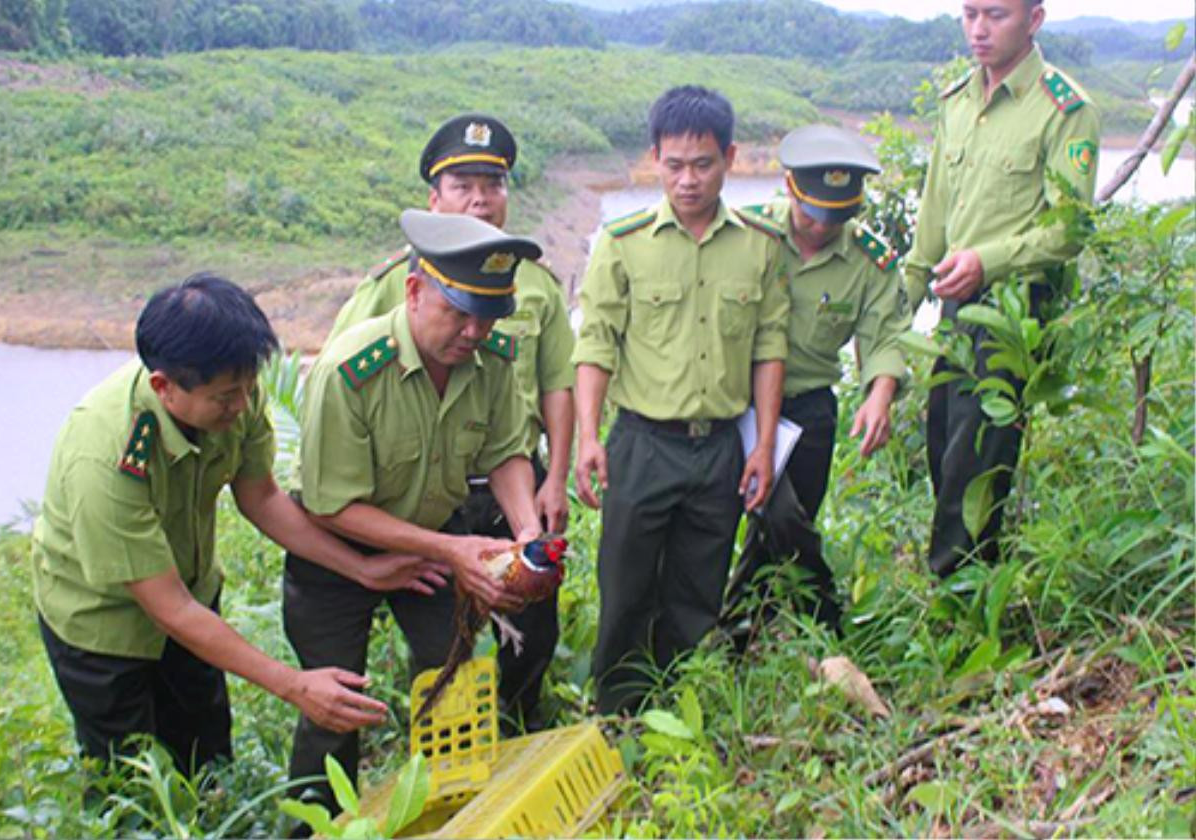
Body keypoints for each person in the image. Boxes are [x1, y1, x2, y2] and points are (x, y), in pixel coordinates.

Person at [31, 273, 438, 777]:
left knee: (207, 762)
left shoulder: (233, 396)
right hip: (102, 629)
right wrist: (295, 685)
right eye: (226, 396)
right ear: (164, 387)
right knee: (133, 785)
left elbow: (262, 498)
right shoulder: (106, 454)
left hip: (193, 603)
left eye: (248, 388)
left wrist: (362, 569)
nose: (242, 405)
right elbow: (167, 606)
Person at [286, 209, 543, 810]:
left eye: (487, 316)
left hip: (433, 530)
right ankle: (314, 823)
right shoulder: (350, 371)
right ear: (413, 290)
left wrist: (526, 529)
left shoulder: (494, 358)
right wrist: (453, 552)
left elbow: (507, 450)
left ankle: (449, 803)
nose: (474, 332)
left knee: (454, 669)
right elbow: (330, 505)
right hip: (337, 549)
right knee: (335, 699)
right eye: (458, 312)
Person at [326, 114, 575, 729]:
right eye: (463, 184)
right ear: (434, 199)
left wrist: (543, 499)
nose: (480, 199)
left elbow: (546, 396)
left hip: (484, 486)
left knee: (499, 635)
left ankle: (508, 730)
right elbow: (340, 416)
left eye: (492, 184)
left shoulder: (529, 289)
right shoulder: (386, 297)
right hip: (398, 497)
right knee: (397, 660)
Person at [572, 85, 789, 714]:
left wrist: (764, 447)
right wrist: (590, 437)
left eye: (702, 164)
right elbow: (596, 346)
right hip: (642, 445)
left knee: (696, 589)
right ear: (654, 159)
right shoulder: (624, 242)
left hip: (719, 448)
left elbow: (768, 348)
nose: (687, 181)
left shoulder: (758, 245)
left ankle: (673, 707)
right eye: (673, 165)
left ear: (730, 158)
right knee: (625, 587)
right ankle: (617, 713)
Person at [904, 0, 1101, 577]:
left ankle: (959, 607)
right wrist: (906, 296)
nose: (979, 30)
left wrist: (987, 262)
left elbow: (1069, 228)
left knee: (975, 467)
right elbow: (935, 211)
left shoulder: (1064, 108)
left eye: (996, 14)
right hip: (955, 306)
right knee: (942, 447)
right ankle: (969, 585)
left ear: (1034, 20)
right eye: (969, 14)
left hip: (1013, 309)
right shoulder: (958, 101)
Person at [723, 124, 911, 640]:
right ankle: (825, 616)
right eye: (811, 213)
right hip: (737, 405)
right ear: (789, 187)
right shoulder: (747, 233)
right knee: (780, 517)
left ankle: (740, 633)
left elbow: (888, 334)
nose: (822, 227)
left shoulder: (870, 261)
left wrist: (880, 394)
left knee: (779, 526)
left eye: (837, 216)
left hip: (808, 410)